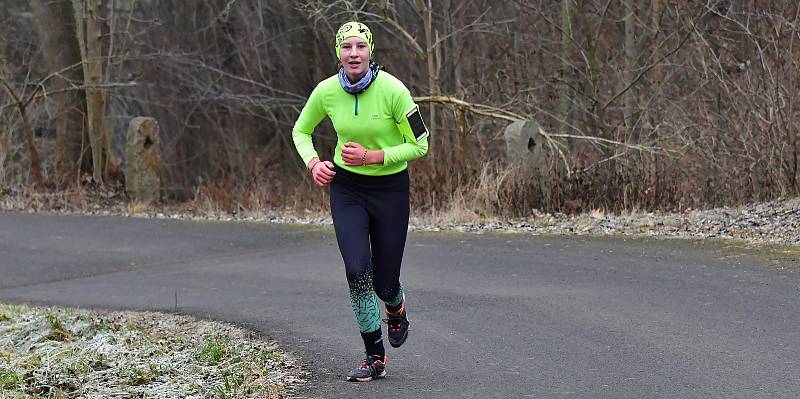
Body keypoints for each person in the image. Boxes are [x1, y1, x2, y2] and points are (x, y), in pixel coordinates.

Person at [291, 21, 429, 382]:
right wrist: (314, 163)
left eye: (359, 47)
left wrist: (373, 156)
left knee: (384, 283)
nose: (353, 54)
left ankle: (396, 307)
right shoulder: (326, 91)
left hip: (390, 190)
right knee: (357, 272)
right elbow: (300, 130)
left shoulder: (394, 91)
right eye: (346, 47)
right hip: (347, 189)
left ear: (370, 51)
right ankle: (374, 356)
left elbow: (421, 143)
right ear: (338, 52)